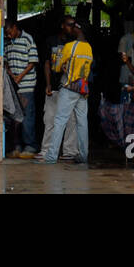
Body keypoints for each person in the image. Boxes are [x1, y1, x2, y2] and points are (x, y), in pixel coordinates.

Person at [43, 18, 94, 165]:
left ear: (78, 29)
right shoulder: (89, 48)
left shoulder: (70, 46)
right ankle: (83, 156)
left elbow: (56, 67)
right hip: (83, 90)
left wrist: (62, 66)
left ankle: (51, 157)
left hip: (69, 87)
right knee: (82, 123)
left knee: (60, 122)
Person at [40, 16, 80, 161]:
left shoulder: (75, 44)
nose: (73, 28)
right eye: (70, 25)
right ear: (62, 25)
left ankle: (69, 151)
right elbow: (46, 63)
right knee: (50, 119)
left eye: (75, 25)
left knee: (71, 120)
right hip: (55, 86)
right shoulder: (51, 41)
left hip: (69, 87)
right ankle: (47, 150)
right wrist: (48, 84)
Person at [4, 18, 39, 158]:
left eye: (9, 32)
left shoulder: (27, 39)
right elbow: (5, 61)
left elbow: (33, 61)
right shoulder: (8, 42)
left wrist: (20, 76)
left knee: (27, 117)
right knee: (15, 118)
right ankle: (17, 146)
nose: (8, 35)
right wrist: (11, 74)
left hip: (26, 85)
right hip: (14, 86)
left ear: (14, 27)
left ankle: (30, 146)